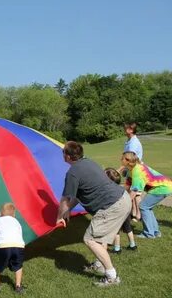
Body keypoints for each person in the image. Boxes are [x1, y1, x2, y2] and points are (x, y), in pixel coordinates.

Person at [56, 141, 131, 287]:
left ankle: (111, 276)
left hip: (112, 205)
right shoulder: (88, 162)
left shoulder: (73, 172)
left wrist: (59, 217)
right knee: (100, 237)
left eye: (63, 152)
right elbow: (78, 194)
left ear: (69, 156)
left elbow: (65, 199)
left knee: (90, 239)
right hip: (123, 198)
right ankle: (99, 265)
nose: (62, 154)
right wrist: (69, 210)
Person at [122, 151, 172, 239]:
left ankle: (149, 233)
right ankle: (155, 232)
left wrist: (124, 202)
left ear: (128, 160)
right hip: (163, 186)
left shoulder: (137, 171)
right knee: (147, 207)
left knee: (143, 206)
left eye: (122, 158)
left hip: (162, 188)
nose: (120, 160)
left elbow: (134, 190)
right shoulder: (131, 169)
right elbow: (127, 185)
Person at [0, 203, 25, 294]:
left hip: (2, 246)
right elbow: (19, 235)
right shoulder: (16, 222)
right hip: (18, 246)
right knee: (18, 265)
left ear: (0, 213)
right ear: (14, 215)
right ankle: (18, 286)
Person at [104, 168, 137, 253]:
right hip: (126, 210)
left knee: (115, 230)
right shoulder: (120, 188)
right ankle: (133, 245)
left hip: (117, 211)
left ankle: (117, 248)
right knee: (128, 228)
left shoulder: (109, 190)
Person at [119, 122, 143, 221]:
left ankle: (139, 215)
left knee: (136, 194)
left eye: (127, 128)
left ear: (132, 130)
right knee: (129, 191)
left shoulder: (133, 142)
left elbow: (129, 158)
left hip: (136, 171)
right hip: (131, 171)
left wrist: (120, 169)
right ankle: (133, 213)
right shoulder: (129, 141)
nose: (125, 129)